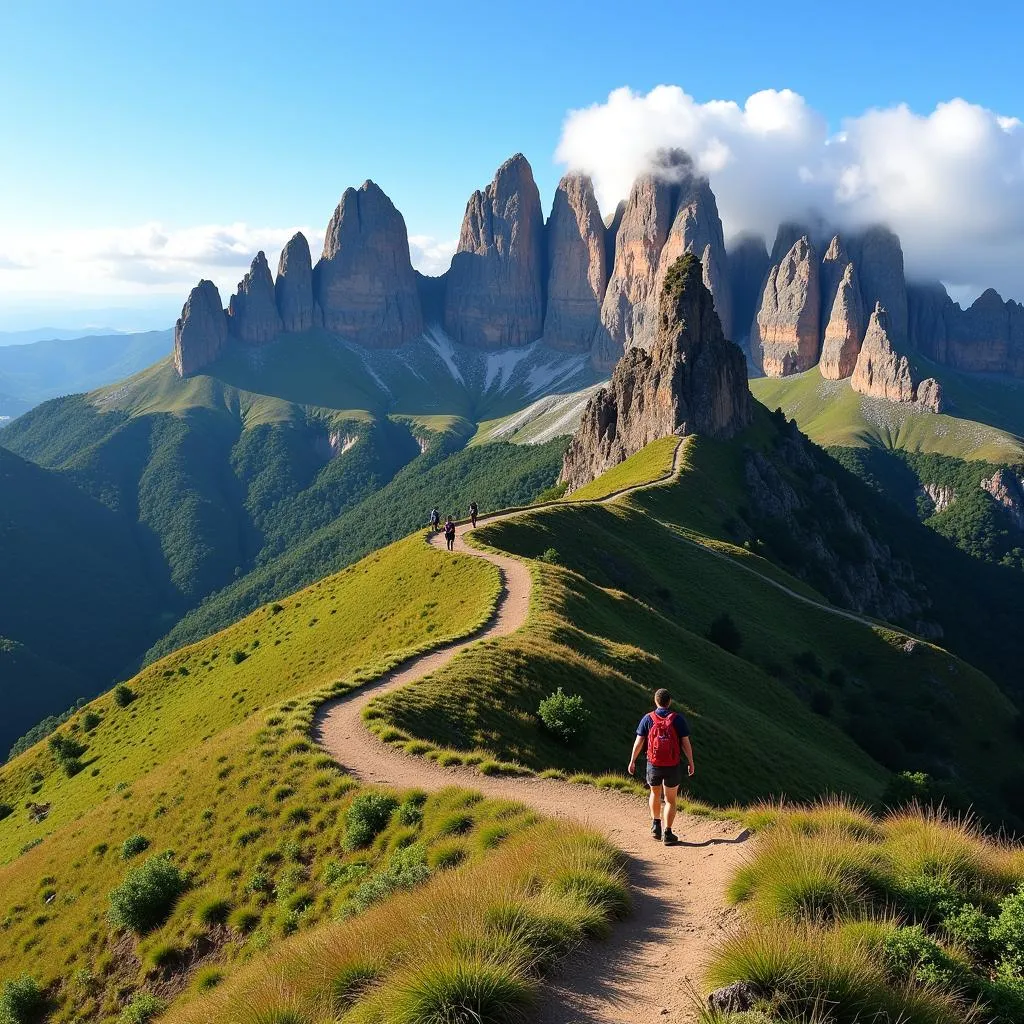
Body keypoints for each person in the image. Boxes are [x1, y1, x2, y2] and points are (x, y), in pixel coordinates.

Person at [627, 688, 694, 845]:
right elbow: (686, 743)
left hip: (653, 763)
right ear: (669, 702)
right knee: (670, 800)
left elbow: (639, 742)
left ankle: (656, 825)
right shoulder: (677, 719)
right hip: (672, 765)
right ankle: (668, 834)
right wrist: (691, 762)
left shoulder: (648, 718)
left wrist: (632, 760)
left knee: (654, 794)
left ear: (655, 701)